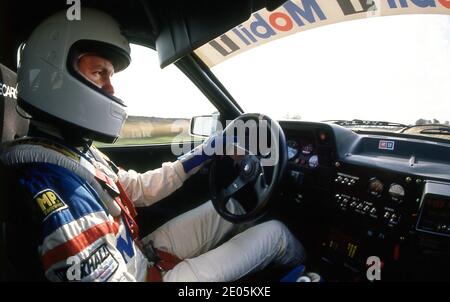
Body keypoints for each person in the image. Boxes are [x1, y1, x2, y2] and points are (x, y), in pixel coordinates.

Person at [1, 8, 305, 282]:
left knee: (235, 207)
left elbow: (138, 188)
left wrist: (210, 148)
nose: (111, 88)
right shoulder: (56, 188)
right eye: (99, 73)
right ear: (56, 77)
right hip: (145, 274)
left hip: (139, 254)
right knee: (275, 235)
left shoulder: (68, 152)